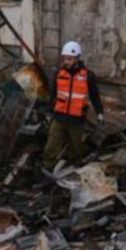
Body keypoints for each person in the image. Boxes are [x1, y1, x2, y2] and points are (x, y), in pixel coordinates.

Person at [42, 41, 104, 171]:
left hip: (77, 119)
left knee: (76, 148)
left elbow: (95, 96)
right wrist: (49, 112)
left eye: (69, 59)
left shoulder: (87, 76)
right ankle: (48, 168)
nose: (66, 61)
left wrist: (100, 113)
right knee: (51, 146)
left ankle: (74, 169)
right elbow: (53, 95)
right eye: (65, 58)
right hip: (59, 117)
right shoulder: (59, 74)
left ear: (77, 58)